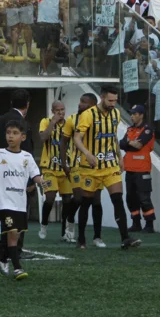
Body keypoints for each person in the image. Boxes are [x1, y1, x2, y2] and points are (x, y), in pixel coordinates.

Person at [72, 85, 141, 250]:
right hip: (91, 167)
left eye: (115, 101)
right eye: (110, 100)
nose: (113, 103)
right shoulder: (88, 115)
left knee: (117, 199)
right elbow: (77, 138)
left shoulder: (116, 113)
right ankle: (81, 238)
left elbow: (113, 138)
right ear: (102, 98)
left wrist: (119, 158)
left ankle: (125, 238)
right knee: (87, 201)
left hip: (110, 165)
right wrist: (87, 154)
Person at [0, 120, 43, 280]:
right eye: (8, 133)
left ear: (23, 137)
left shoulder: (27, 157)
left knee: (13, 234)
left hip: (20, 202)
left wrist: (42, 181)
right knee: (12, 233)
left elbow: (35, 175)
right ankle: (17, 268)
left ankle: (3, 259)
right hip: (4, 201)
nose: (10, 136)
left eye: (15, 133)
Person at [61, 93, 99, 245]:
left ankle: (97, 236)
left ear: (92, 106)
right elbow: (63, 143)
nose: (80, 104)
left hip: (95, 165)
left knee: (96, 200)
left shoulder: (100, 120)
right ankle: (70, 222)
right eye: (80, 101)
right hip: (76, 164)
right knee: (78, 197)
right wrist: (64, 164)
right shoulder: (72, 119)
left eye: (84, 102)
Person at [37, 101, 74, 241]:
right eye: (57, 110)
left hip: (65, 169)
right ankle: (44, 225)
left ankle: (65, 232)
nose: (60, 112)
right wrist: (53, 122)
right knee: (50, 198)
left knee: (67, 200)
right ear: (52, 111)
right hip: (49, 168)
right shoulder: (45, 121)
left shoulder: (70, 123)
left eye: (62, 109)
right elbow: (42, 137)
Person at [120, 105, 157, 233]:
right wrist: (130, 143)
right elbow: (121, 143)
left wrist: (128, 143)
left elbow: (138, 145)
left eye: (134, 114)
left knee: (144, 198)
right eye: (131, 114)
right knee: (130, 198)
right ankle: (136, 223)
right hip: (129, 169)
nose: (132, 116)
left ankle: (149, 225)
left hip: (142, 169)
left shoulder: (147, 130)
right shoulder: (130, 129)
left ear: (141, 115)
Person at [0, 89, 32, 153]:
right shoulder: (24, 123)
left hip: (0, 161)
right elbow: (27, 150)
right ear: (27, 104)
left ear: (11, 102)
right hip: (19, 162)